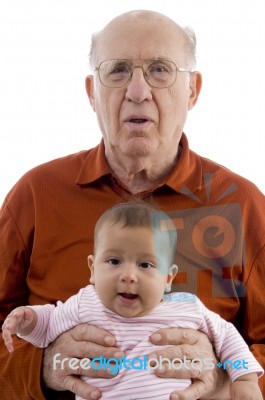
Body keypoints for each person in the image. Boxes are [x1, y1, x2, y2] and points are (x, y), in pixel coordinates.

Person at [0, 8, 264, 400]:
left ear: (192, 90)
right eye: (118, 70)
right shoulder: (36, 194)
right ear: (93, 92)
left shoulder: (242, 205)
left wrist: (226, 379)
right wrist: (42, 368)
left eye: (160, 70)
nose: (137, 91)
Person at [2, 202, 263, 400]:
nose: (128, 276)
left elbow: (227, 336)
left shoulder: (186, 306)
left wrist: (245, 379)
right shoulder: (85, 303)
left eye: (145, 264)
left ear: (168, 278)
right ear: (93, 269)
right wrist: (28, 320)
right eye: (114, 261)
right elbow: (48, 326)